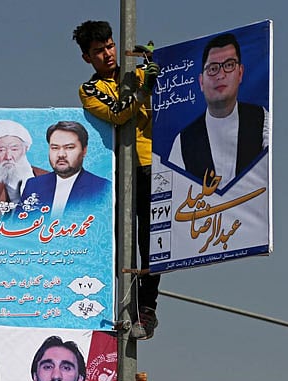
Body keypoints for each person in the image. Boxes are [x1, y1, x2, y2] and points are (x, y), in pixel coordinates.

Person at [72, 20, 160, 340]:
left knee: (153, 242)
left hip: (152, 164)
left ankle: (147, 310)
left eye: (110, 46)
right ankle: (125, 309)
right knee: (123, 245)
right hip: (118, 172)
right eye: (99, 51)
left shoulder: (136, 73)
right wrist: (143, 89)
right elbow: (119, 113)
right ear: (87, 57)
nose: (108, 54)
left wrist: (151, 65)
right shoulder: (89, 90)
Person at [168, 33, 270, 189]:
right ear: (201, 82)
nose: (221, 75)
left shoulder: (261, 119)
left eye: (229, 65)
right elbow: (173, 192)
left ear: (240, 73)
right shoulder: (183, 141)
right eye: (213, 69)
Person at [18, 121, 111, 217]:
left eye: (69, 147)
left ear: (84, 150)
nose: (61, 154)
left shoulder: (103, 189)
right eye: (55, 148)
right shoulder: (34, 185)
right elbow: (19, 223)